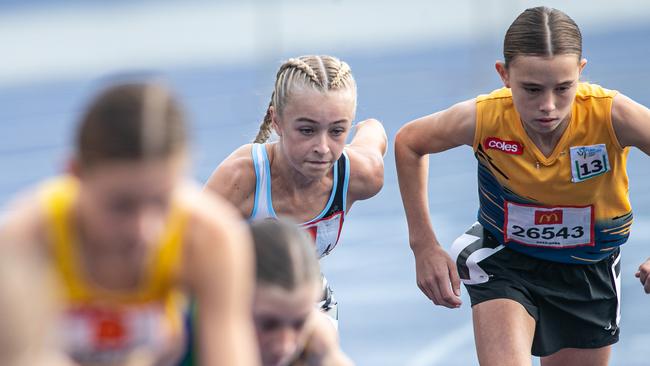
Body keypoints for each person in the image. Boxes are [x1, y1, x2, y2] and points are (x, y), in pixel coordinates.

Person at [395, 6, 650, 366]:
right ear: (504, 74)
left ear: (580, 71)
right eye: (531, 89)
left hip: (588, 270)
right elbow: (410, 142)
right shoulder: (484, 118)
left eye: (563, 88)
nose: (547, 106)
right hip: (504, 259)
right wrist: (423, 245)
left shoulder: (611, 115)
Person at [0, 81, 258, 366]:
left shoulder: (209, 237)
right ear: (74, 174)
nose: (144, 231)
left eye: (162, 202)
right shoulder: (26, 239)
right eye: (121, 205)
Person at [205, 55, 387, 326]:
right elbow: (183, 250)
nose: (323, 148)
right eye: (307, 130)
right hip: (236, 308)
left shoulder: (362, 174)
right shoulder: (242, 177)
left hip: (306, 307)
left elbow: (374, 133)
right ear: (276, 121)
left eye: (337, 131)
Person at [250, 219, 353, 366]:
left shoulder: (316, 341)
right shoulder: (207, 335)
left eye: (299, 324)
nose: (285, 347)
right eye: (268, 325)